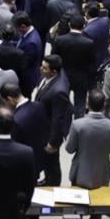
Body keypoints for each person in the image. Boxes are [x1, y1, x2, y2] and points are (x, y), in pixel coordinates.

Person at [66, 89, 110, 219]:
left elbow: (69, 149)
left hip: (80, 174)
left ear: (87, 103)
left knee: (76, 209)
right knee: (97, 212)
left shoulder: (78, 124)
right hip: (102, 175)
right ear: (104, 105)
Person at [33, 54, 72, 186]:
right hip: (43, 125)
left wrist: (53, 143)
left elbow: (58, 119)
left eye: (44, 68)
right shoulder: (50, 77)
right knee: (47, 161)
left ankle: (53, 185)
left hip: (49, 132)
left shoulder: (59, 91)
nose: (40, 69)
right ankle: (48, 179)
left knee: (52, 162)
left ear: (54, 71)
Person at [51, 16, 95, 118]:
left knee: (62, 103)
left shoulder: (60, 40)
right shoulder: (89, 43)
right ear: (84, 26)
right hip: (81, 77)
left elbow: (54, 58)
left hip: (63, 77)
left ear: (69, 25)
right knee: (80, 105)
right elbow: (92, 62)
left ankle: (63, 125)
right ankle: (79, 127)